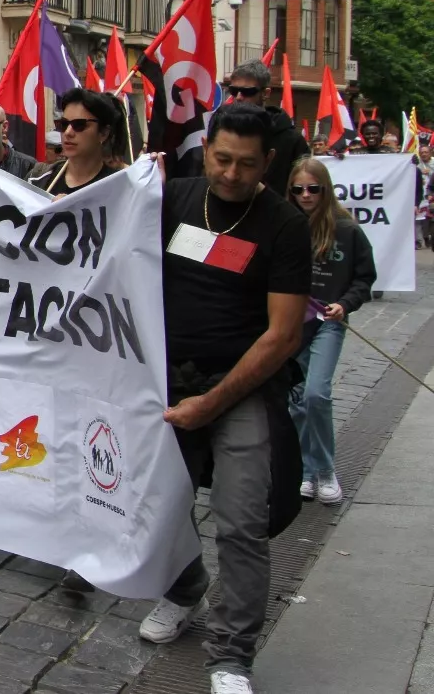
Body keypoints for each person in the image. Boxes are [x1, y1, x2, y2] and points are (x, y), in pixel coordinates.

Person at [138, 103, 311, 694]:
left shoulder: (285, 226)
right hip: (165, 382)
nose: (232, 174)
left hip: (241, 388)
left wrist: (211, 404)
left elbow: (283, 335)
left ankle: (232, 655)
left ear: (267, 163)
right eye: (221, 159)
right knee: (161, 510)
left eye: (246, 164)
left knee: (241, 523)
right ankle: (185, 588)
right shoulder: (171, 201)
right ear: (204, 150)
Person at [287, 158, 375, 506]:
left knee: (316, 395)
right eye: (298, 189)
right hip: (292, 325)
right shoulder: (286, 225)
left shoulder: (347, 230)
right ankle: (306, 471)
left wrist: (346, 304)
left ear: (325, 189)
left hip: (327, 322)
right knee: (295, 402)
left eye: (313, 188)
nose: (305, 195)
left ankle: (324, 469)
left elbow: (365, 277)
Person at [220, 60, 309, 193]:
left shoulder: (291, 141)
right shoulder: (220, 131)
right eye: (234, 90)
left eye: (247, 92)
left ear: (265, 93)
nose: (238, 97)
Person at [28, 88, 127, 196]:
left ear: (103, 133)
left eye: (79, 125)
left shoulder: (120, 188)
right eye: (63, 124)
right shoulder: (38, 179)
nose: (68, 132)